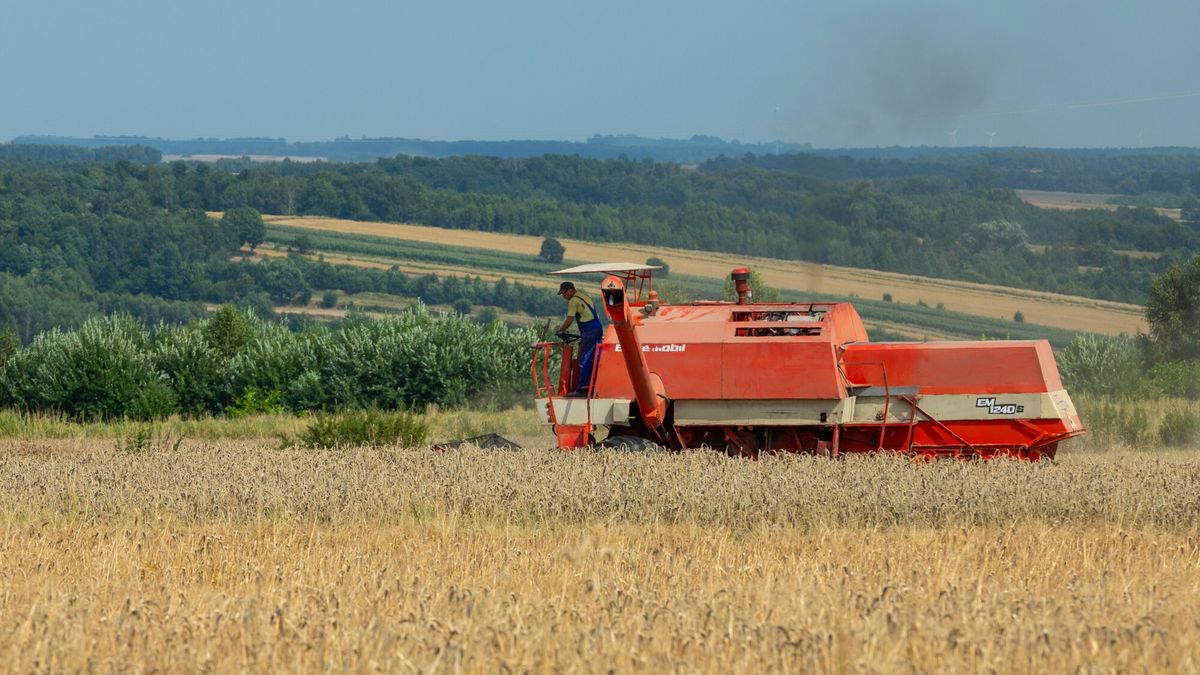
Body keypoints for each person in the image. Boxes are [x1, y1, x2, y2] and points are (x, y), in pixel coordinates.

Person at [556, 281, 603, 396]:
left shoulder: (573, 301)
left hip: (589, 330)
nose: (564, 296)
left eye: (564, 293)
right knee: (594, 358)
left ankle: (582, 389)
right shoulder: (584, 296)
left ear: (571, 290)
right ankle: (593, 385)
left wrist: (560, 330)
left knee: (584, 358)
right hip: (597, 328)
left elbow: (569, 320)